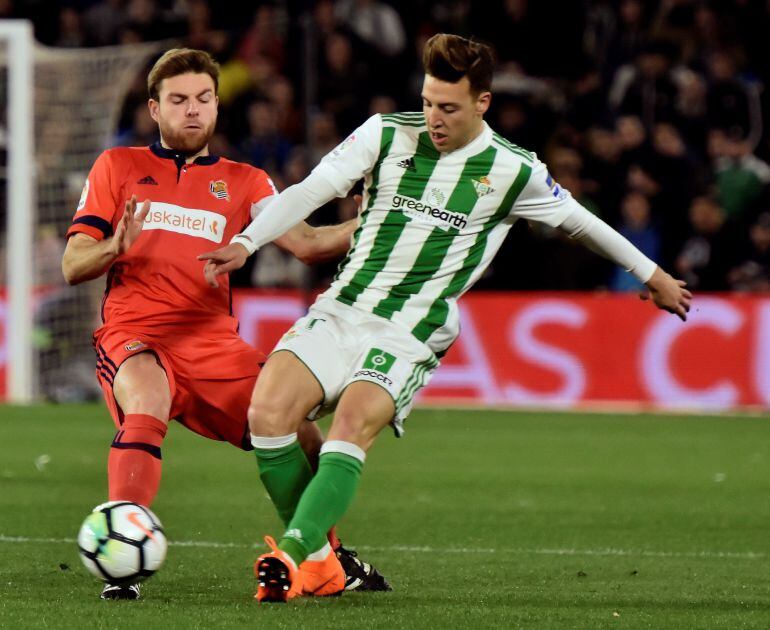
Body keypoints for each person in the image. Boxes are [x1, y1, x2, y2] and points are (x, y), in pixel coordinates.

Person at [200, 34, 693, 603]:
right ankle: (323, 564)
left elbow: (581, 223)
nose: (434, 117)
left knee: (352, 424)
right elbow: (312, 190)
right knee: (266, 415)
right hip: (342, 307)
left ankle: (291, 553)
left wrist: (651, 274)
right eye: (429, 101)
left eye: (449, 107)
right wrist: (247, 242)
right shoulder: (385, 133)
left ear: (482, 103)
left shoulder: (513, 170)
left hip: (411, 327)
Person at [61, 48, 389, 600]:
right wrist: (114, 246)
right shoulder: (116, 167)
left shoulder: (245, 181)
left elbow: (306, 243)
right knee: (147, 397)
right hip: (135, 333)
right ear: (154, 108)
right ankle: (124, 555)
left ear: (216, 107)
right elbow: (74, 264)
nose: (193, 111)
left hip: (212, 342)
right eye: (179, 100)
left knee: (295, 427)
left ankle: (325, 556)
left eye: (203, 99)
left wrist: (376, 219)